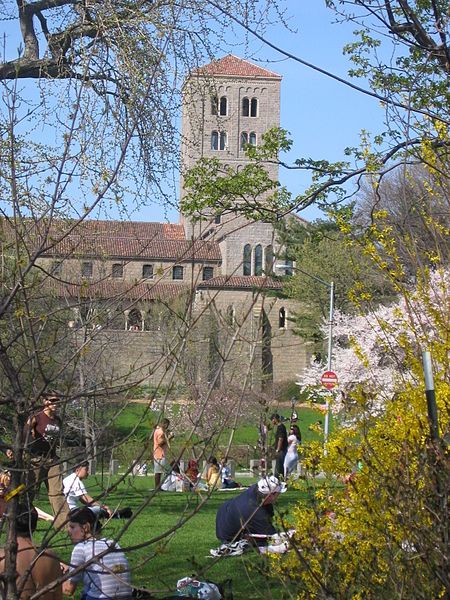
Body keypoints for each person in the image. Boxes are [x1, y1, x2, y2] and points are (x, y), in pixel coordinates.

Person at [63, 508, 132, 600]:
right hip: (126, 596)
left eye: (72, 527)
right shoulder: (112, 544)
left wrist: (57, 573)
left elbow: (68, 590)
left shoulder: (81, 548)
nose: (68, 531)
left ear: (85, 527)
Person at [26, 392, 69, 529]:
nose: (56, 403)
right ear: (45, 402)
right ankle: (24, 521)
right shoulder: (37, 417)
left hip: (52, 459)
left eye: (57, 401)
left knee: (57, 491)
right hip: (36, 459)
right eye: (52, 400)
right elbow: (25, 431)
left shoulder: (57, 420)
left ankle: (64, 524)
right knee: (31, 490)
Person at [0, 505, 62, 599]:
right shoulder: (51, 557)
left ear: (9, 524)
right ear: (34, 525)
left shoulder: (3, 557)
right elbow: (57, 596)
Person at [216, 475, 286, 544]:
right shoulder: (256, 512)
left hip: (226, 512)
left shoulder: (256, 489)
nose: (279, 495)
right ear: (270, 495)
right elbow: (274, 538)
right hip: (229, 535)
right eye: (278, 493)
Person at [63, 462, 132, 519]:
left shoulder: (69, 479)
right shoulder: (76, 481)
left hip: (67, 509)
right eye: (86, 469)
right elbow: (87, 499)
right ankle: (116, 514)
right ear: (77, 470)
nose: (88, 472)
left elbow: (83, 500)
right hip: (72, 511)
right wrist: (104, 507)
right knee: (98, 510)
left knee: (93, 508)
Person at [152, 418, 171, 489]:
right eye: (167, 424)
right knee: (158, 471)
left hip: (159, 453)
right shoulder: (160, 432)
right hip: (159, 454)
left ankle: (158, 487)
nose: (168, 426)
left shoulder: (159, 431)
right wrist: (169, 438)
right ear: (165, 424)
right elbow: (160, 443)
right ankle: (157, 487)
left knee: (159, 471)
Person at [271, 414, 288, 479]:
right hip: (281, 450)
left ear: (275, 419)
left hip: (281, 450)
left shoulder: (281, 427)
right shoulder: (279, 427)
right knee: (279, 466)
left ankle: (278, 480)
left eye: (272, 420)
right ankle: (280, 479)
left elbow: (280, 439)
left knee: (279, 466)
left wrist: (278, 449)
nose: (272, 422)